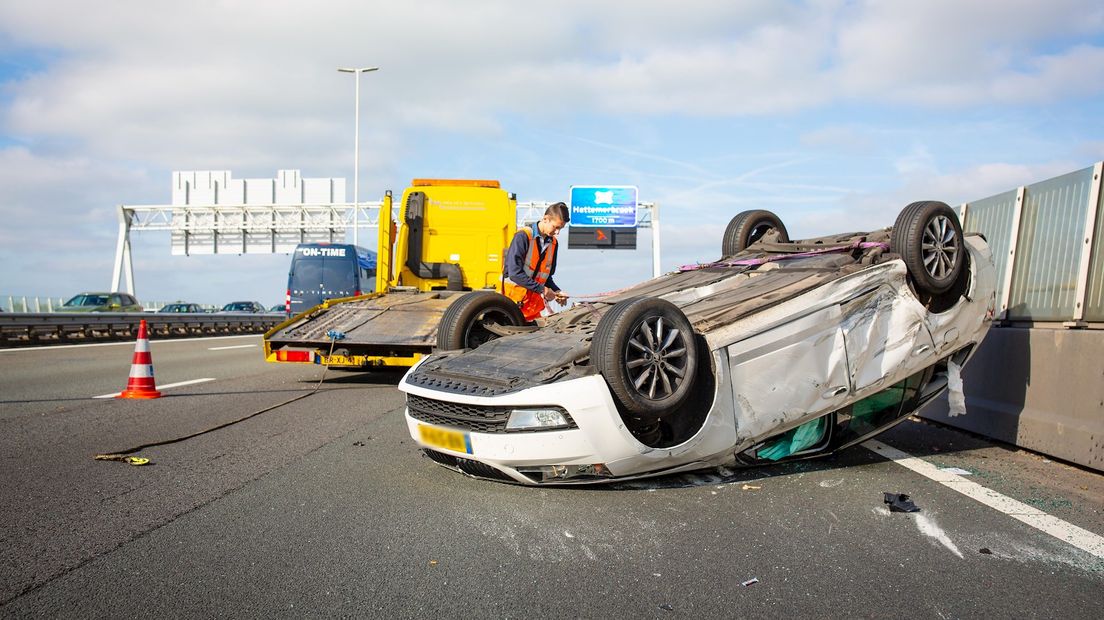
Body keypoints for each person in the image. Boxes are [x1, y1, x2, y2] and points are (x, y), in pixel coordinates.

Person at [503, 201, 570, 321]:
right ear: (546, 219)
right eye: (556, 227)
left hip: (532, 310)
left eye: (561, 229)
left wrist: (557, 291)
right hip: (510, 308)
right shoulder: (523, 236)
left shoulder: (554, 244)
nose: (557, 232)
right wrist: (543, 290)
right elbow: (514, 273)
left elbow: (546, 278)